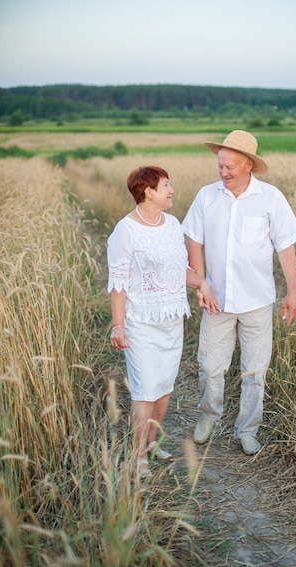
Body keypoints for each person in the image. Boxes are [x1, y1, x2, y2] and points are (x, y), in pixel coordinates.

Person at [181, 130, 296, 456]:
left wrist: (292, 292)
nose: (223, 173)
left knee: (254, 370)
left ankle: (247, 430)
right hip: (216, 301)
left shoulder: (271, 198)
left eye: (230, 167)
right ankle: (209, 417)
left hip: (257, 302)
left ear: (248, 164)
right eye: (220, 166)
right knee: (210, 366)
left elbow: (286, 247)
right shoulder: (207, 196)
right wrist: (200, 282)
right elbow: (194, 239)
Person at [107, 166, 220, 478]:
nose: (172, 191)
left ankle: (152, 442)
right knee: (145, 388)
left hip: (171, 319)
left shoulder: (172, 224)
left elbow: (178, 270)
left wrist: (202, 284)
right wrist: (118, 325)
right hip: (140, 321)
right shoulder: (125, 231)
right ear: (148, 192)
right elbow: (118, 284)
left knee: (164, 387)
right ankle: (137, 455)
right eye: (166, 186)